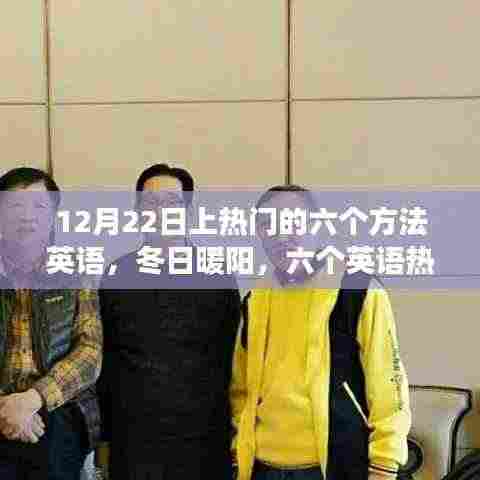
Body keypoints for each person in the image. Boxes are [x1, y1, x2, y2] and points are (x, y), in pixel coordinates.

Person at [231, 185, 412, 480]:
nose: (281, 235)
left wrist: (384, 465)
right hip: (261, 467)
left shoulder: (358, 290)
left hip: (334, 466)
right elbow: (241, 390)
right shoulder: (255, 301)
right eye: (268, 225)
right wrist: (239, 451)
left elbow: (389, 389)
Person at [97, 163, 241, 479]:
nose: (161, 211)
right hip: (133, 442)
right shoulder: (116, 275)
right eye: (151, 202)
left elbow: (232, 357)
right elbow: (107, 362)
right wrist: (103, 437)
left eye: (172, 202)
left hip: (205, 440)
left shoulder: (217, 274)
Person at [0, 167, 102, 479]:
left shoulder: (76, 270)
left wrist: (33, 400)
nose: (27, 216)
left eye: (39, 206)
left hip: (57, 409)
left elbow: (90, 352)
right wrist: (6, 410)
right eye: (15, 206)